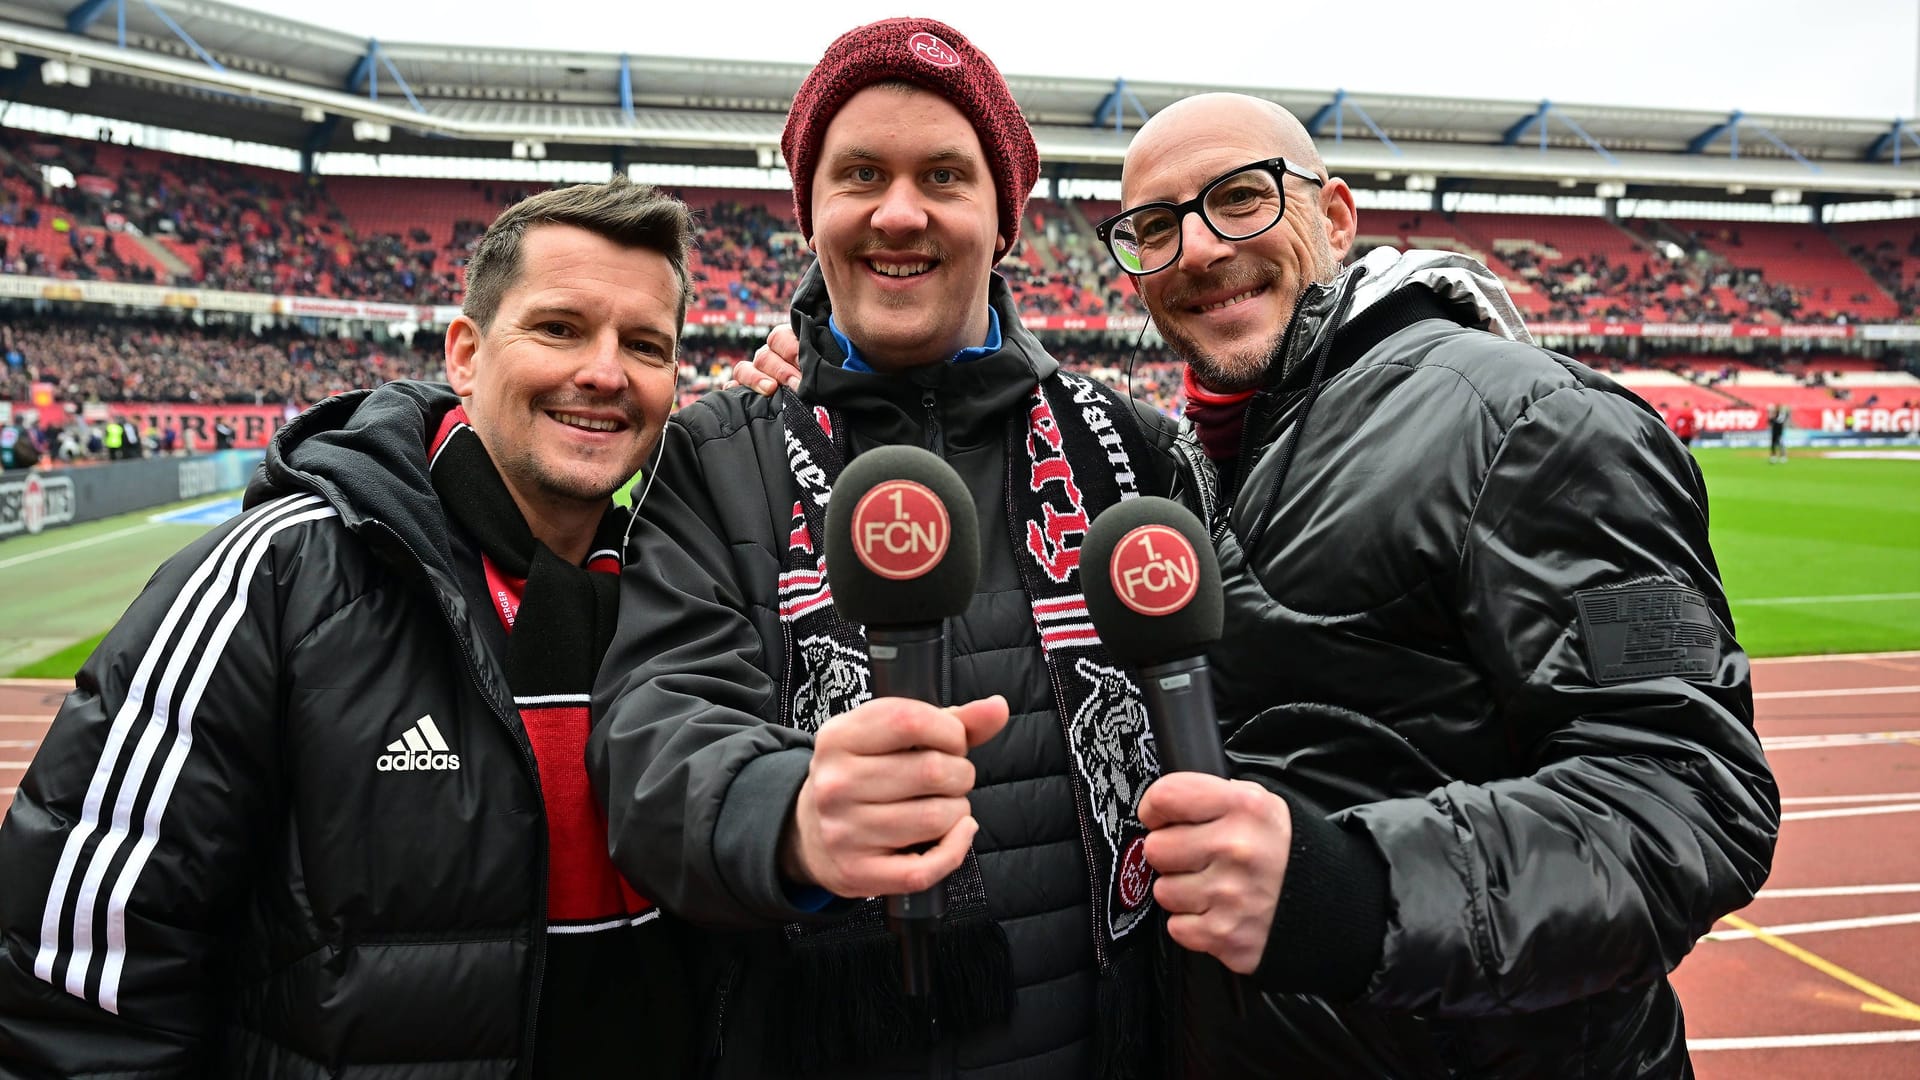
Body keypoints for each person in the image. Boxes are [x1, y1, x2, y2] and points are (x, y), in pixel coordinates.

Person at [739, 91, 1777, 1079]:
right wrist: (834, 379)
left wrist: (1357, 892)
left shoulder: (1528, 421)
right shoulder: (1180, 460)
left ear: (1334, 215)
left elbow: (1689, 794)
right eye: (1154, 226)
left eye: (1241, 198)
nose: (1198, 248)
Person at [591, 19, 1202, 1079]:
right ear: (811, 213)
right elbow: (653, 739)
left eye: (945, 176)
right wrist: (786, 812)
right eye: (860, 173)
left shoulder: (1133, 448)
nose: (900, 212)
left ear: (1004, 220)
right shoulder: (716, 453)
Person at [0, 177, 699, 1077]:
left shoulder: (686, 590)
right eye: (560, 328)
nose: (605, 372)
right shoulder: (276, 577)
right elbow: (82, 995)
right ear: (466, 354)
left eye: (644, 344)